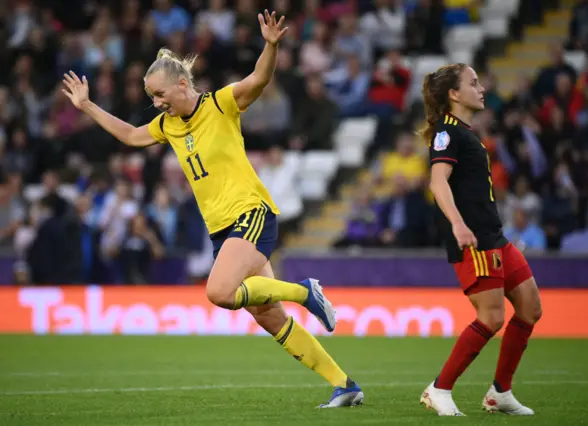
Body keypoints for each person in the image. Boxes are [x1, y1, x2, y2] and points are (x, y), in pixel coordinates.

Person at [61, 10, 363, 408]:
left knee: (219, 291)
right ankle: (345, 385)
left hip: (250, 213)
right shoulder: (168, 125)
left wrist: (271, 46)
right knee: (267, 316)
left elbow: (258, 80)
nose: (156, 103)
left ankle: (304, 292)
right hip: (223, 228)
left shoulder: (220, 104)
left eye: (161, 95)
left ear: (182, 84)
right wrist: (87, 107)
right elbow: (133, 136)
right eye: (152, 96)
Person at [417, 64, 542, 416]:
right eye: (473, 83)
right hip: (474, 242)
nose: (481, 88)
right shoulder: (447, 133)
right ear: (454, 95)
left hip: (494, 237)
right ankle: (439, 389)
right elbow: (437, 182)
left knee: (531, 308)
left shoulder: (466, 133)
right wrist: (457, 223)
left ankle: (500, 393)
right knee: (490, 318)